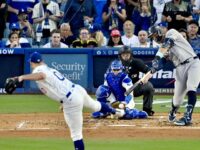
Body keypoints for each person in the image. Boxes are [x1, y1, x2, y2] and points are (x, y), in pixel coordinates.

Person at [11, 51, 125, 150]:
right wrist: (62, 102)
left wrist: (21, 77)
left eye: (30, 62)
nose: (30, 64)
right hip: (76, 90)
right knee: (95, 105)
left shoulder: (39, 69)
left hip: (71, 100)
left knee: (76, 135)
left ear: (32, 62)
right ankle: (117, 112)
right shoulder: (47, 67)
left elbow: (41, 75)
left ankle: (116, 112)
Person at [147, 25, 200, 126]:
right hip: (180, 68)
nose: (154, 38)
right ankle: (173, 111)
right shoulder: (163, 48)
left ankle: (187, 117)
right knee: (177, 100)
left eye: (154, 35)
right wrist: (154, 67)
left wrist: (157, 58)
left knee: (191, 88)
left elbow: (167, 44)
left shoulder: (171, 32)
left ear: (158, 32)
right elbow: (163, 61)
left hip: (193, 62)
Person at [118, 46, 155, 116]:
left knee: (149, 87)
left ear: (131, 55)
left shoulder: (136, 62)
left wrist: (145, 78)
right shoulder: (116, 64)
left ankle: (147, 110)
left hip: (135, 87)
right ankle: (111, 109)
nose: (125, 56)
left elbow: (149, 71)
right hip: (121, 90)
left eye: (127, 54)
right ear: (120, 56)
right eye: (123, 55)